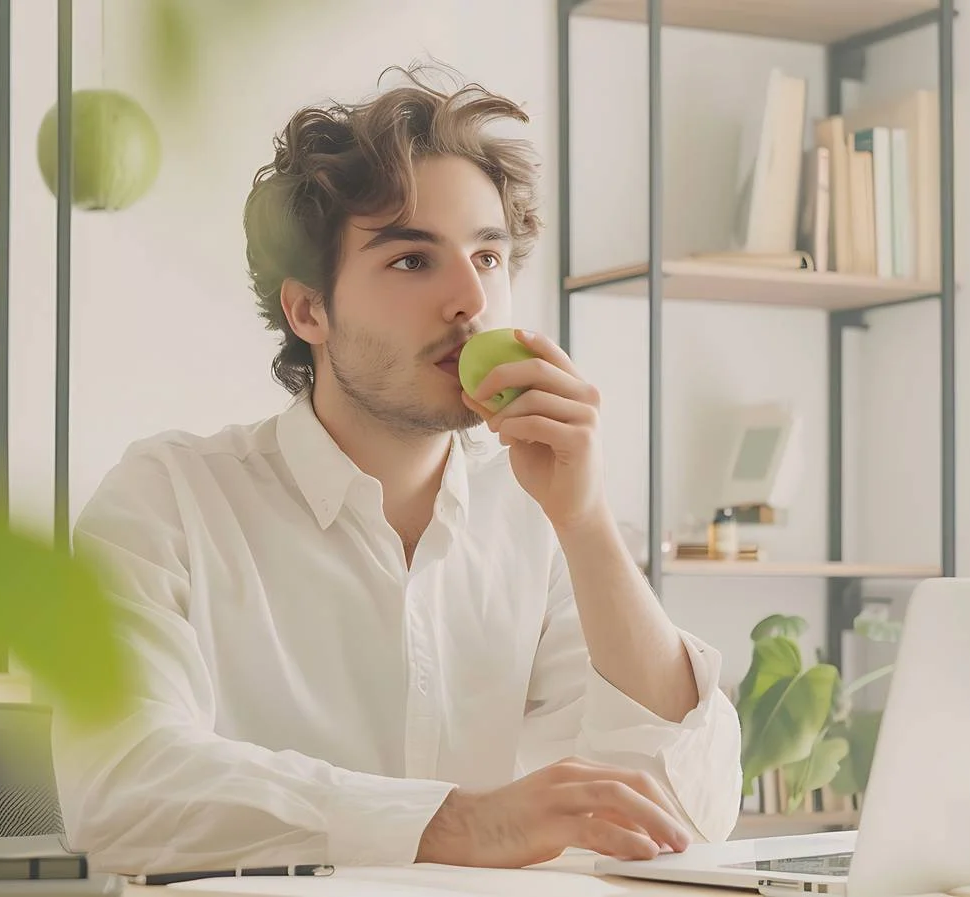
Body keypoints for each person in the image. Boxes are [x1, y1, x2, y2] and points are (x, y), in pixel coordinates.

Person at [52, 65, 742, 876]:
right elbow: (120, 784)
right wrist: (453, 824)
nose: (470, 302)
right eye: (413, 261)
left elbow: (679, 808)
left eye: (488, 257)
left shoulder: (538, 517)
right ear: (309, 309)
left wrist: (585, 523)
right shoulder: (168, 499)